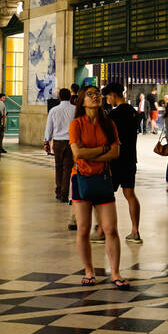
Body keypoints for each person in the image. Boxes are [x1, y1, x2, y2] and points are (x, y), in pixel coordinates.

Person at [68, 85, 128, 289]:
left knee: (111, 228)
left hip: (103, 178)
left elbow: (115, 153)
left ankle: (116, 272)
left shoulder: (109, 124)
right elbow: (78, 154)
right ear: (82, 101)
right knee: (83, 229)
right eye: (90, 95)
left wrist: (93, 152)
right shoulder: (76, 124)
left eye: (97, 94)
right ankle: (89, 271)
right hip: (80, 179)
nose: (95, 97)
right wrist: (103, 149)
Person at [101, 81, 143, 244]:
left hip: (114, 159)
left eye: (107, 97)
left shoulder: (114, 115)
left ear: (113, 95)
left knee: (105, 196)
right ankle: (135, 231)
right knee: (130, 194)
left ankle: (101, 230)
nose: (107, 101)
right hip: (130, 159)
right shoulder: (132, 112)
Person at [44, 87, 77, 211]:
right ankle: (64, 193)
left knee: (58, 166)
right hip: (71, 142)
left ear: (59, 97)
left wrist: (46, 142)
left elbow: (49, 127)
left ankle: (59, 191)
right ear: (70, 97)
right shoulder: (75, 110)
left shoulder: (54, 110)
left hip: (58, 142)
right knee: (68, 168)